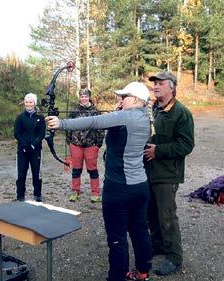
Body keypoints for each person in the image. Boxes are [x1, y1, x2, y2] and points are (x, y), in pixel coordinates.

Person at [46, 82, 153, 281]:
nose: (120, 100)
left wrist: (61, 124)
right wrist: (120, 109)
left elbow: (94, 122)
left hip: (118, 189)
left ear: (138, 100)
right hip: (140, 186)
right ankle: (143, 272)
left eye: (124, 96)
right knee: (139, 230)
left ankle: (117, 277)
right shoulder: (144, 117)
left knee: (117, 237)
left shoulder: (127, 116)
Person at [144, 71, 194, 276]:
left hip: (167, 173)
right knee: (151, 213)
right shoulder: (155, 108)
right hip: (150, 171)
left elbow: (187, 145)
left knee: (167, 217)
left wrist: (159, 150)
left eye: (160, 83)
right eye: (154, 84)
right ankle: (158, 246)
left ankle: (174, 258)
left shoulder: (181, 112)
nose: (155, 87)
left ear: (171, 87)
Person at [66, 88, 105, 203]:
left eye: (86, 96)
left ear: (89, 97)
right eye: (82, 96)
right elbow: (68, 126)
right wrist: (69, 141)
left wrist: (98, 144)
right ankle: (75, 191)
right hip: (75, 144)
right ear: (79, 97)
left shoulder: (96, 111)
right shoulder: (74, 111)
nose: (84, 98)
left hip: (91, 145)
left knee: (92, 169)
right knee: (76, 169)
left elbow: (101, 128)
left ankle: (95, 192)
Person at [13, 93, 46, 202]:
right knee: (21, 174)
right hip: (22, 150)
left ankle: (37, 195)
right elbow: (17, 134)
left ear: (34, 103)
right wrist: (25, 145)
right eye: (26, 102)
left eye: (31, 102)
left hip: (36, 150)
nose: (28, 104)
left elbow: (41, 134)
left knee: (37, 173)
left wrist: (33, 145)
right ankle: (20, 196)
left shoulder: (40, 118)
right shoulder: (20, 117)